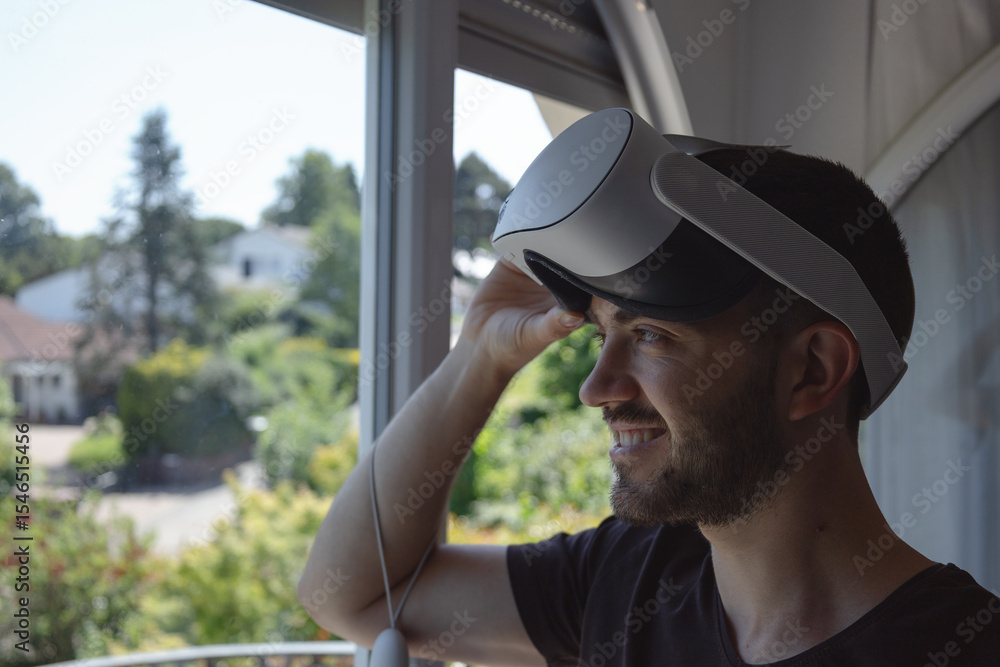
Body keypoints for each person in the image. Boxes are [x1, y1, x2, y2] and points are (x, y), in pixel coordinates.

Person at [297, 142, 1000, 665]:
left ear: (813, 370)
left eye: (653, 335)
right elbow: (350, 593)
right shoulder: (632, 577)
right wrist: (480, 353)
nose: (598, 387)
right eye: (603, 333)